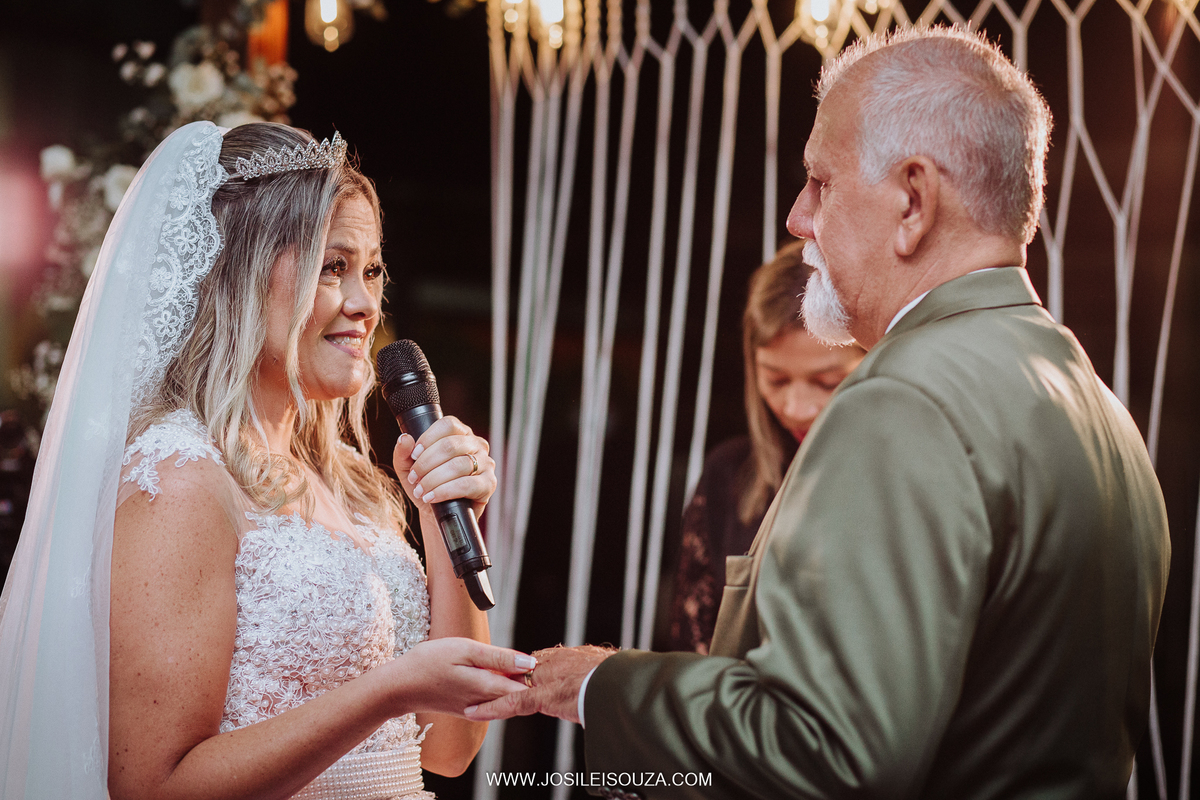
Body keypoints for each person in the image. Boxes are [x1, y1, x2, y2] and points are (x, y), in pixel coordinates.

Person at [467, 26, 1172, 799]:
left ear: (913, 199)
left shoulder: (905, 397)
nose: (799, 217)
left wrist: (605, 685)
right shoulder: (1100, 409)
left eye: (821, 182)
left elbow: (826, 752)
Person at [0, 121, 532, 800]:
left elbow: (452, 748)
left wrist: (438, 512)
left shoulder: (355, 487)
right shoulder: (182, 480)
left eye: (371, 270)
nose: (366, 305)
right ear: (242, 276)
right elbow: (153, 787)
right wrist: (388, 689)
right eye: (332, 267)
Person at [668, 242, 862, 653]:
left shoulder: (906, 473)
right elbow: (691, 652)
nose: (795, 407)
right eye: (775, 379)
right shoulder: (729, 474)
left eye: (827, 382)